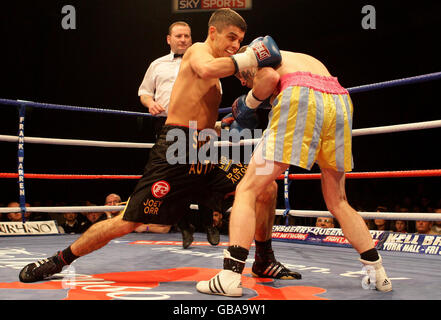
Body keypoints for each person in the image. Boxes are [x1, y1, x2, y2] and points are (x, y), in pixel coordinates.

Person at [18, 8, 296, 284]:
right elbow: (205, 68)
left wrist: (221, 125)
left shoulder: (220, 72)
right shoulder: (198, 51)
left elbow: (201, 115)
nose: (235, 46)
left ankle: (264, 260)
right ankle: (58, 260)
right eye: (231, 38)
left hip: (205, 153)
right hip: (175, 150)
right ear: (213, 32)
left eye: (240, 41)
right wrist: (250, 55)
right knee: (128, 221)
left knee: (265, 186)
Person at [197, 45, 392, 296]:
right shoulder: (298, 57)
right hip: (340, 101)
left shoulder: (256, 52)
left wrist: (249, 103)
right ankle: (378, 274)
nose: (244, 82)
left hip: (300, 96)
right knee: (338, 200)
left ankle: (230, 277)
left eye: (241, 77)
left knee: (247, 188)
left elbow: (269, 78)